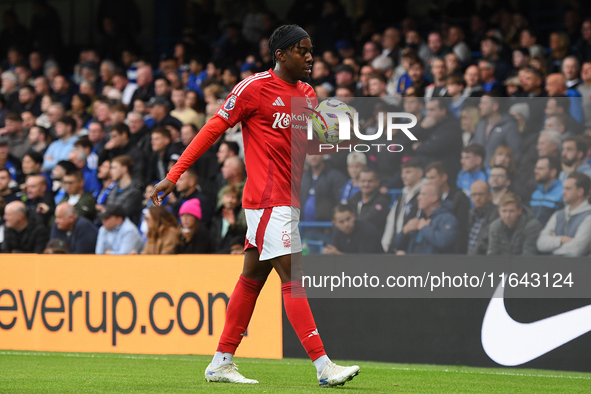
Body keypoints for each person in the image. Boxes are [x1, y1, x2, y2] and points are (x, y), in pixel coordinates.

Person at [150, 25, 360, 387]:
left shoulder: (307, 93)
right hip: (267, 200)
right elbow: (212, 129)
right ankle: (324, 366)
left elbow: (318, 143)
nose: (310, 57)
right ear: (280, 54)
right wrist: (175, 173)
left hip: (287, 201)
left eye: (311, 50)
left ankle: (220, 362)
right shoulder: (253, 88)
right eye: (302, 50)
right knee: (293, 280)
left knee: (251, 279)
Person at [393, 183, 458, 255]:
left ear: (434, 198)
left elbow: (444, 242)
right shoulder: (418, 219)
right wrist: (404, 231)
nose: (418, 198)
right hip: (415, 264)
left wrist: (424, 228)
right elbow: (397, 245)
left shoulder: (448, 219)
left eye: (422, 194)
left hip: (436, 265)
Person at [537, 173, 591, 256]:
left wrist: (552, 249)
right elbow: (540, 243)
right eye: (564, 188)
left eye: (568, 189)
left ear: (580, 192)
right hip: (555, 267)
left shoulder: (589, 217)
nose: (563, 192)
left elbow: (576, 250)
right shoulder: (558, 214)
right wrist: (562, 240)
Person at [381, 158, 428, 253]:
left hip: (412, 249)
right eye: (402, 172)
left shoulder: (426, 192)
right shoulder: (403, 194)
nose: (403, 176)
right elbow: (391, 220)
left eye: (408, 172)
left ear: (420, 173)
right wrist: (386, 244)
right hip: (397, 246)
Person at [347, 169, 390, 234]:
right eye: (363, 181)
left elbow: (369, 221)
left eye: (370, 181)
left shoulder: (382, 201)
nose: (366, 184)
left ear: (377, 183)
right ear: (358, 182)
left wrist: (349, 224)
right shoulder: (352, 200)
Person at [210, 185, 247, 254]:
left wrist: (234, 226)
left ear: (238, 201)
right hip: (214, 255)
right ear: (223, 198)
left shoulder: (241, 217)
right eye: (227, 196)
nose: (230, 200)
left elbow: (242, 238)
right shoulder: (216, 216)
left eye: (233, 197)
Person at [530, 156, 563, 227]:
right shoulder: (536, 192)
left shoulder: (562, 192)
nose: (536, 171)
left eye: (540, 169)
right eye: (536, 168)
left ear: (553, 172)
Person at [467, 180, 499, 255]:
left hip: (484, 260)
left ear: (490, 196)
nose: (477, 198)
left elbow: (485, 242)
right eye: (474, 195)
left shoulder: (496, 214)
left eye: (481, 194)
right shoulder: (470, 214)